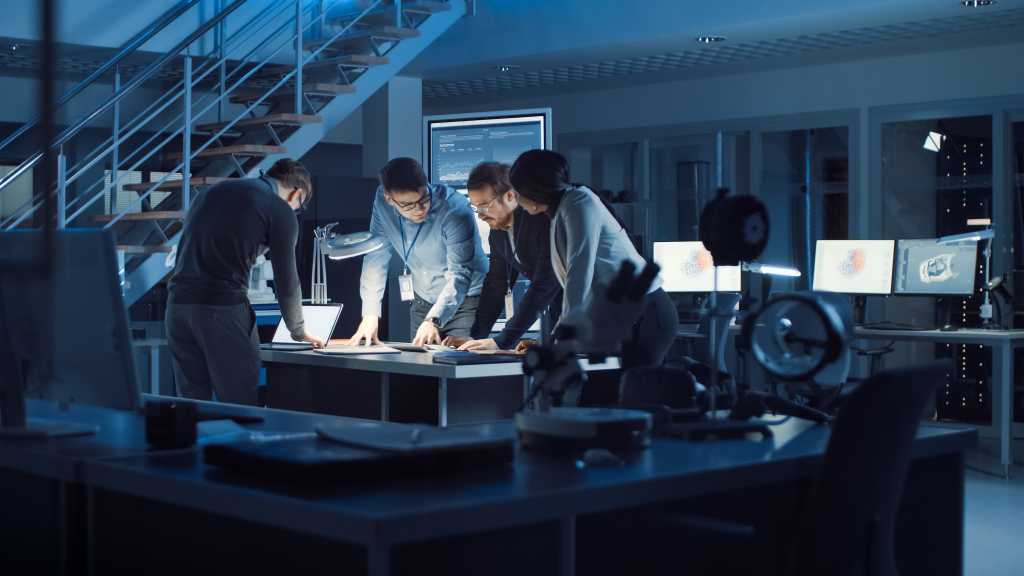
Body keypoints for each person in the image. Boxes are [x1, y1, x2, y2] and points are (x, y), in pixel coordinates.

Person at [509, 149, 679, 403]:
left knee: (633, 401)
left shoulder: (579, 202)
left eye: (518, 191)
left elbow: (580, 268)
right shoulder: (560, 210)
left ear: (534, 190)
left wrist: (563, 334)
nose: (517, 198)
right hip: (621, 317)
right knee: (601, 397)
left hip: (647, 314)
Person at [166, 158, 323, 405]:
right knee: (240, 404)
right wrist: (298, 330)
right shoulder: (278, 210)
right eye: (299, 207)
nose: (295, 211)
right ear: (296, 192)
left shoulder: (210, 192)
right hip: (221, 310)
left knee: (191, 408)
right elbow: (287, 282)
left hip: (176, 309)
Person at [347, 157, 488, 347]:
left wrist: (433, 320)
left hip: (467, 300)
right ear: (390, 199)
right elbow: (375, 256)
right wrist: (370, 315)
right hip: (423, 299)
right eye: (408, 205)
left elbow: (460, 275)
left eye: (424, 199)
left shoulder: (454, 209)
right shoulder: (382, 202)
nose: (420, 209)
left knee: (458, 364)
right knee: (421, 369)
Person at [443, 162, 561, 351]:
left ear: (510, 196)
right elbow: (496, 285)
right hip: (562, 313)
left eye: (484, 206)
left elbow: (544, 284)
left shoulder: (541, 220)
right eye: (476, 208)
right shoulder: (498, 232)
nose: (480, 216)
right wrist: (475, 337)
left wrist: (503, 340)